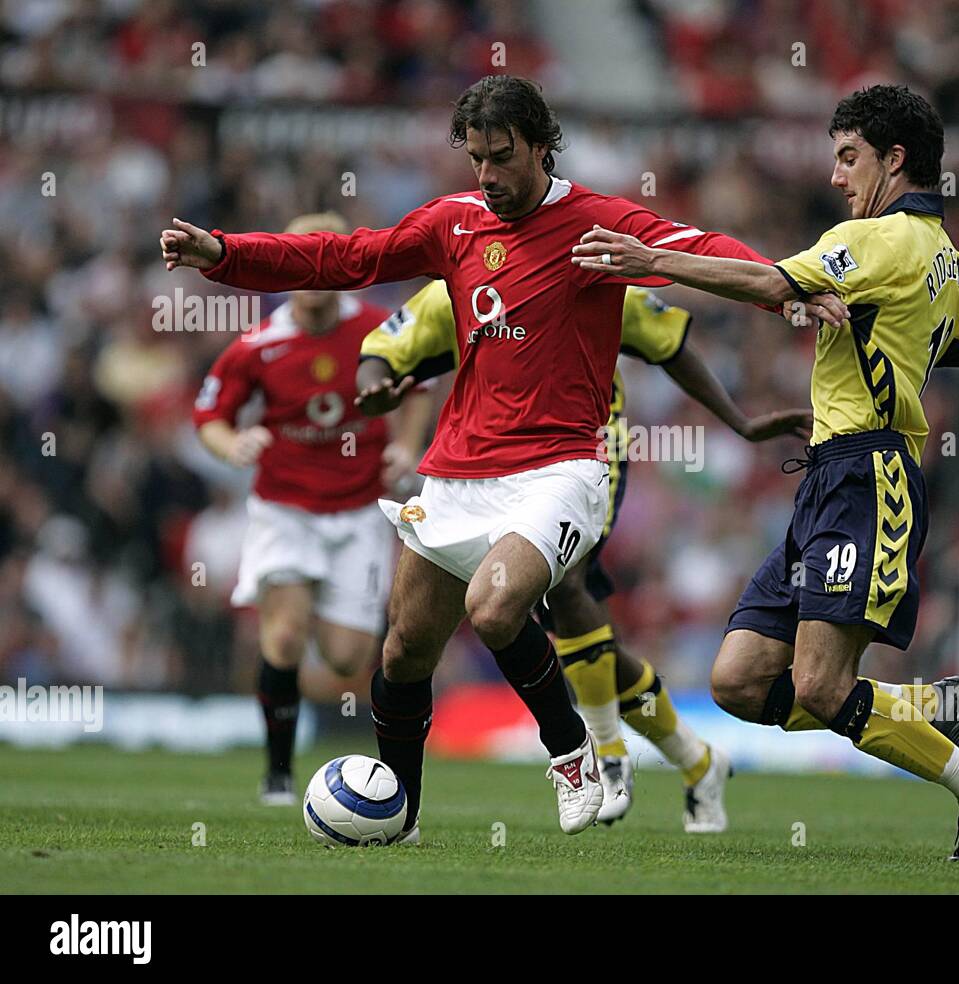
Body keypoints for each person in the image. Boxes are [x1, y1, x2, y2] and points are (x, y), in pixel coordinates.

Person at [160, 74, 846, 839]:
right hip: (458, 469)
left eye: (502, 157)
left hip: (562, 468)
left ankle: (572, 752)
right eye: (477, 159)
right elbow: (344, 258)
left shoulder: (597, 223)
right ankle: (402, 817)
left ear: (542, 147)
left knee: (495, 607)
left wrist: (788, 288)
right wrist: (224, 253)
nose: (488, 176)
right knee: (404, 652)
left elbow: (703, 249)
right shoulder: (454, 223)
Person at [572, 84, 959, 862]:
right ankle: (934, 706)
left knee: (820, 685)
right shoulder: (951, 268)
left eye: (848, 157)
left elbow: (769, 284)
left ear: (896, 160)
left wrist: (650, 260)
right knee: (739, 682)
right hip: (828, 477)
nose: (836, 175)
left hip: (870, 476)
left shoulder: (879, 242)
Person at [355, 279, 812, 830]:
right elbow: (383, 350)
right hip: (479, 465)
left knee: (563, 588)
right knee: (543, 621)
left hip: (584, 453)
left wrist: (739, 421)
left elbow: (669, 343)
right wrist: (375, 387)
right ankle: (695, 758)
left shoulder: (590, 274)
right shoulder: (458, 280)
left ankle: (605, 753)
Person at [192, 211, 433, 805]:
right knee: (284, 636)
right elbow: (209, 416)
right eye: (299, 261)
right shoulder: (260, 345)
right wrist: (234, 445)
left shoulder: (379, 330)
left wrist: (405, 445)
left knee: (349, 657)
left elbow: (418, 388)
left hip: (356, 513)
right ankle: (277, 775)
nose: (312, 276)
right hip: (285, 510)